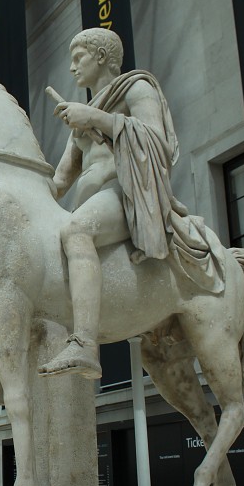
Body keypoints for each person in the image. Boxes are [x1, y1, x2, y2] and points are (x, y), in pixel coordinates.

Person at [37, 28, 183, 379]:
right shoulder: (82, 114)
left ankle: (86, 344)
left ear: (101, 57)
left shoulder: (136, 87)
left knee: (76, 229)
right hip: (91, 200)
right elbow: (58, 182)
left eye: (78, 58)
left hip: (125, 194)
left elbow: (158, 142)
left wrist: (97, 119)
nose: (72, 68)